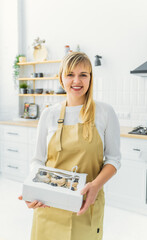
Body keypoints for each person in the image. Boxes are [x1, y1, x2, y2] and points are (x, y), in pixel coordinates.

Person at [19, 52, 121, 240]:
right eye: (70, 74)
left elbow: (114, 160)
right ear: (60, 78)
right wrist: (32, 190)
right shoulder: (49, 114)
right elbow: (37, 161)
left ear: (91, 78)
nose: (77, 80)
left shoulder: (105, 113)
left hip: (85, 204)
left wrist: (96, 186)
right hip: (49, 205)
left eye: (83, 74)